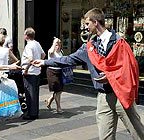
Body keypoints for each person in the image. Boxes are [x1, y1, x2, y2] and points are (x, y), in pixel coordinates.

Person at [33, 8, 144, 140]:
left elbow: (129, 68)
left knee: (138, 133)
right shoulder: (88, 47)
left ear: (95, 22)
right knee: (105, 137)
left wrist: (110, 77)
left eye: (87, 24)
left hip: (121, 94)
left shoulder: (119, 43)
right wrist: (45, 62)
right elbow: (68, 59)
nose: (85, 27)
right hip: (103, 97)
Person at [21, 27, 46, 120]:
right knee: (35, 92)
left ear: (26, 36)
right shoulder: (37, 43)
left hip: (30, 73)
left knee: (29, 93)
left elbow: (30, 59)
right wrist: (39, 63)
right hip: (37, 72)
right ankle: (35, 112)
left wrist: (26, 69)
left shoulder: (29, 46)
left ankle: (31, 114)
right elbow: (43, 55)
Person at [45, 37, 63, 113]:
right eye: (56, 44)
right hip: (52, 72)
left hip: (59, 72)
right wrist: (54, 42)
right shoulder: (51, 51)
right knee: (57, 90)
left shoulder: (61, 51)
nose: (57, 46)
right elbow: (51, 52)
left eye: (59, 44)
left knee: (59, 90)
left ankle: (49, 100)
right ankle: (58, 107)